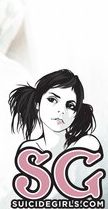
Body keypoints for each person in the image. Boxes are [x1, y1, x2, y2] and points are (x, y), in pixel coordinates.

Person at [8, 70, 103, 200]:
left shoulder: (86, 143)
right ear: (37, 104)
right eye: (52, 100)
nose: (61, 111)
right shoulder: (28, 149)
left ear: (76, 113)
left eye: (71, 106)